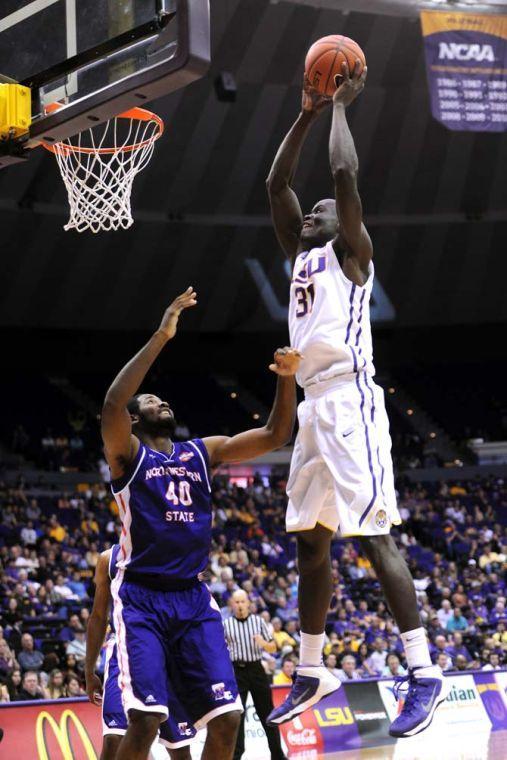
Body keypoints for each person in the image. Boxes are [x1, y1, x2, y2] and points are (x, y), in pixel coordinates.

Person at [265, 63, 446, 737]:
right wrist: (306, 112)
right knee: (311, 546)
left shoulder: (351, 255)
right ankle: (312, 669)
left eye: (322, 211)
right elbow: (276, 183)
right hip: (311, 408)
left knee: (372, 538)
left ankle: (423, 672)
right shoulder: (301, 257)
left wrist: (340, 107)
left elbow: (342, 178)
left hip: (349, 404)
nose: (310, 210)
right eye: (309, 214)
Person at [99, 287, 300, 760]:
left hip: (192, 597)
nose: (160, 402)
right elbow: (111, 403)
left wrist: (287, 380)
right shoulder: (126, 453)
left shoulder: (201, 451)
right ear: (134, 418)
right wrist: (163, 334)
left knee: (228, 720)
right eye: (150, 400)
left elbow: (275, 434)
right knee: (147, 719)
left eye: (163, 398)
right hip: (142, 598)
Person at [86, 546, 195, 760]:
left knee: (179, 747)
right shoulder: (108, 559)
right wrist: (89, 670)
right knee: (113, 740)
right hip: (125, 649)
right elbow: (98, 616)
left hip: (169, 651)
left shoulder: (176, 549)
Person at [223, 590, 285, 760]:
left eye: (243, 601)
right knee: (237, 716)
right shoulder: (226, 624)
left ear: (248, 603)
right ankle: (236, 755)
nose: (240, 605)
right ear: (232, 604)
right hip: (236, 672)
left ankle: (277, 755)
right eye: (236, 602)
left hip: (256, 669)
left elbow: (273, 647)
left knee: (267, 713)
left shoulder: (258, 622)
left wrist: (263, 643)